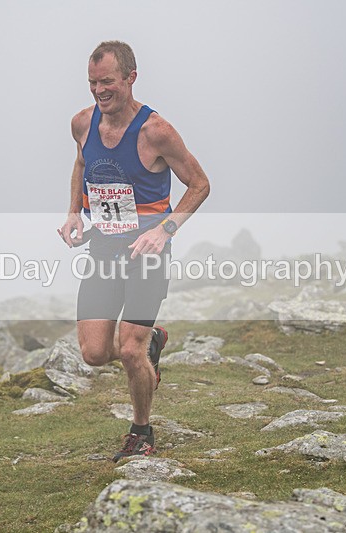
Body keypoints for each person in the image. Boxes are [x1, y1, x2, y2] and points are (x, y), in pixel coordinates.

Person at [58, 41, 210, 462]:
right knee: (93, 354)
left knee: (129, 350)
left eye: (107, 81)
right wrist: (74, 212)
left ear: (130, 78)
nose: (98, 90)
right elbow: (81, 165)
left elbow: (199, 185)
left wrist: (166, 229)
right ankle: (153, 343)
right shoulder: (82, 124)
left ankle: (141, 431)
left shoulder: (155, 131)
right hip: (104, 247)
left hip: (148, 252)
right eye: (92, 82)